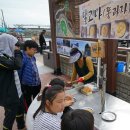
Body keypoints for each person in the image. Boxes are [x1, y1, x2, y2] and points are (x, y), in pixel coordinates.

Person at [0, 33, 26, 130]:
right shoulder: (1, 58)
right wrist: (18, 52)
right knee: (9, 117)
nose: (15, 46)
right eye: (14, 44)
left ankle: (21, 126)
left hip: (17, 92)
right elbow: (17, 65)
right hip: (9, 95)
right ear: (7, 43)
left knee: (20, 111)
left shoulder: (7, 56)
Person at [18, 40, 41, 109]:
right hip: (27, 86)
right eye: (34, 50)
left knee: (36, 100)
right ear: (27, 48)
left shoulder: (33, 57)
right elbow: (19, 73)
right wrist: (20, 86)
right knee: (28, 102)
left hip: (36, 84)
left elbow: (35, 70)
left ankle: (35, 112)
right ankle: (29, 114)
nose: (35, 51)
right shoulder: (22, 59)